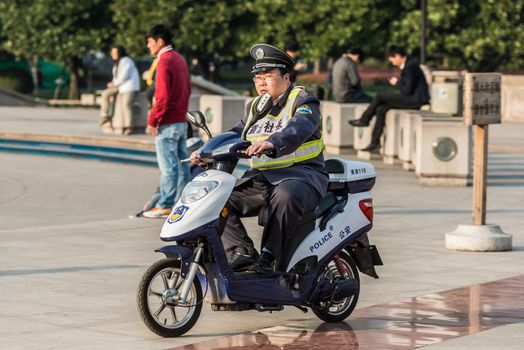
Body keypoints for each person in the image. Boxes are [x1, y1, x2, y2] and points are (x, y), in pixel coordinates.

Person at [192, 44, 328, 273]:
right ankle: (241, 252)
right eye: (257, 78)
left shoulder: (303, 101)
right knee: (217, 199)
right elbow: (236, 133)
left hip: (302, 176)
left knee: (285, 196)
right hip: (262, 178)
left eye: (268, 76)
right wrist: (206, 151)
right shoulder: (255, 106)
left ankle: (269, 258)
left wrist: (272, 143)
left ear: (286, 77)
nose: (261, 82)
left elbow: (299, 128)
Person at [142, 24, 191, 219]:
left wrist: (153, 120)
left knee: (168, 167)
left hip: (167, 122)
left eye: (149, 42)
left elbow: (162, 96)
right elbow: (186, 90)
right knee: (182, 165)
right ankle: (181, 202)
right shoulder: (179, 59)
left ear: (160, 41)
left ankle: (165, 204)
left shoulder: (164, 61)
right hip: (180, 120)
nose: (148, 46)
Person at [349, 45, 430, 152]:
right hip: (412, 98)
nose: (392, 62)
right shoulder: (409, 65)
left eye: (392, 59)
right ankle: (375, 142)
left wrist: (396, 83)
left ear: (397, 56)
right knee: (381, 109)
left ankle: (365, 119)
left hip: (416, 100)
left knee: (380, 96)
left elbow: (407, 90)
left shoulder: (411, 66)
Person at [99, 46, 140, 134]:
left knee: (126, 104)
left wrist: (114, 84)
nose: (112, 54)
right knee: (105, 93)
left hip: (129, 87)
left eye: (114, 52)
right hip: (120, 87)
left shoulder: (126, 61)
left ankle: (128, 127)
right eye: (112, 52)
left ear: (120, 53)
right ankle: (105, 116)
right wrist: (112, 84)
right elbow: (116, 77)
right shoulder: (117, 63)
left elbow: (124, 76)